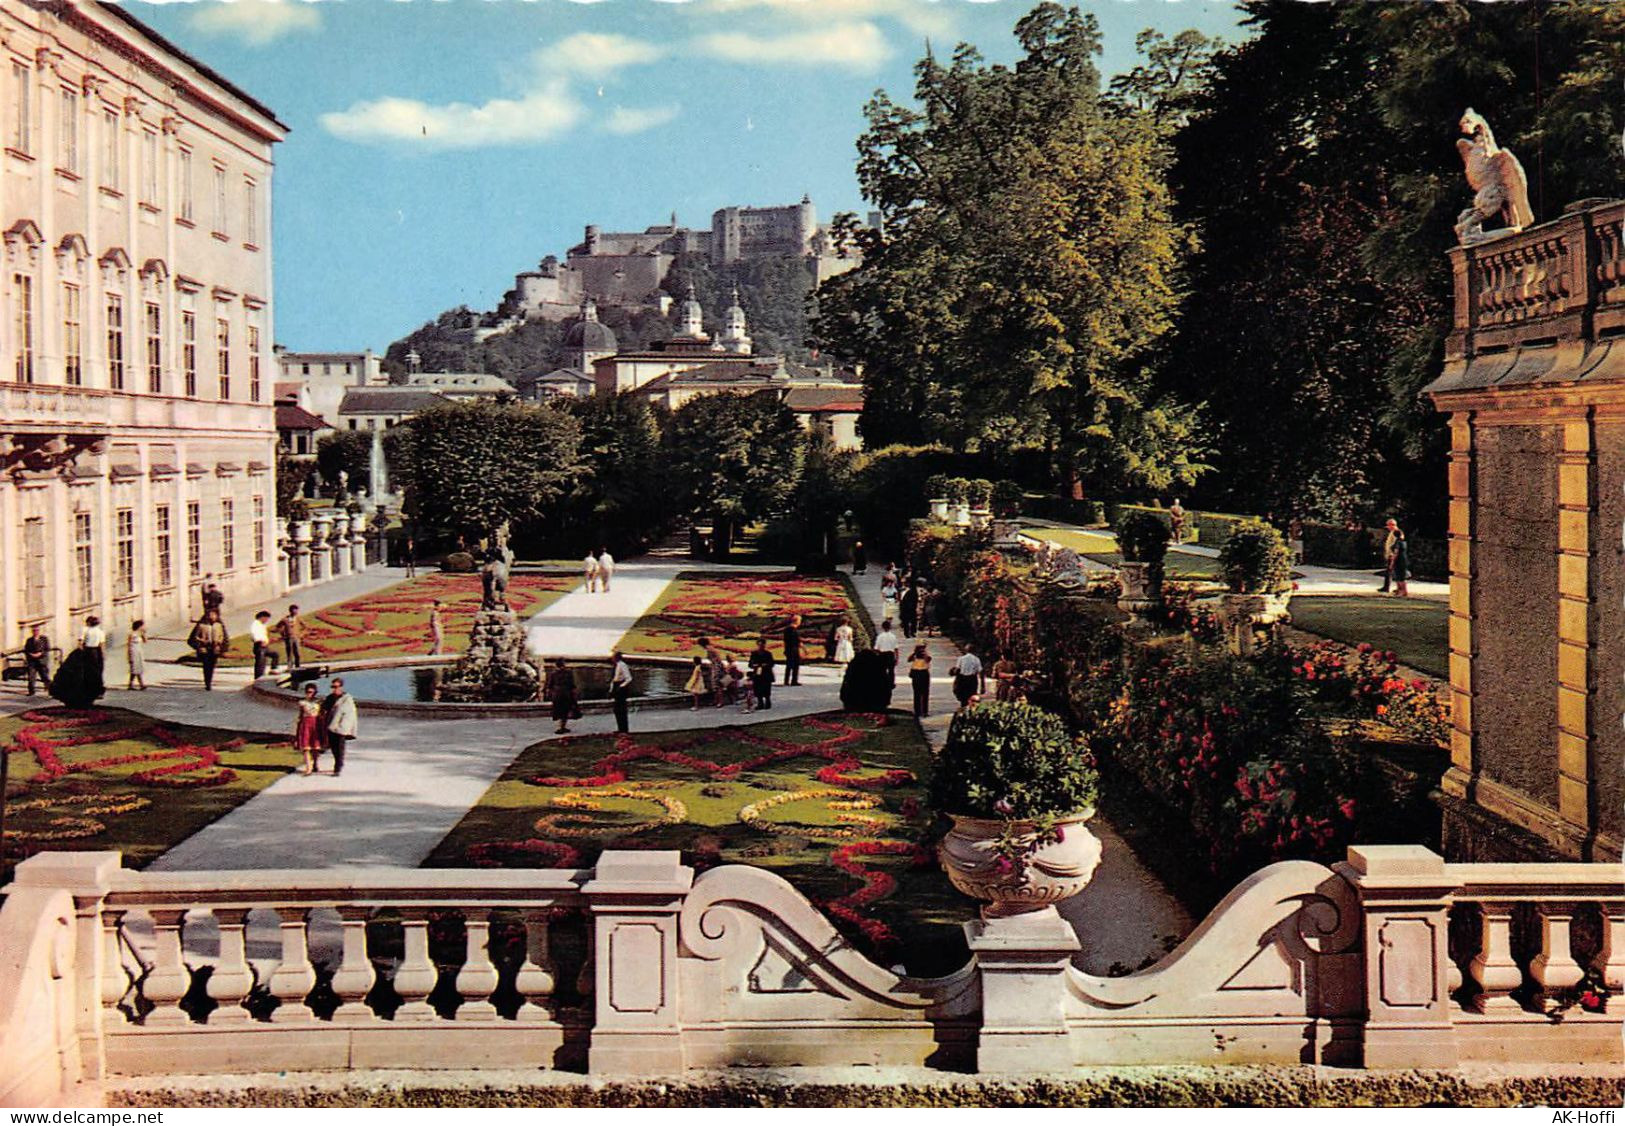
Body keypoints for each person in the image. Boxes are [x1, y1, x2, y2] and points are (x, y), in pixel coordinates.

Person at [49, 619, 105, 709]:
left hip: (87, 650)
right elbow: (101, 645)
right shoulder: (100, 632)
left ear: (89, 623)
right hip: (96, 651)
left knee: (83, 670)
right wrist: (102, 655)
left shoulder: (86, 630)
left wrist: (80, 653)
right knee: (95, 671)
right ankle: (97, 689)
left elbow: (80, 643)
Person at [321, 677, 358, 776]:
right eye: (332, 687)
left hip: (341, 727)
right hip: (330, 725)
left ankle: (338, 767)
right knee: (333, 747)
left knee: (340, 747)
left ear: (341, 687)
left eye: (336, 686)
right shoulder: (330, 698)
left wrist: (345, 726)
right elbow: (323, 710)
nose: (334, 688)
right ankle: (338, 762)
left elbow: (350, 713)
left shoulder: (347, 699)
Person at [189, 609, 229, 690]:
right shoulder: (201, 626)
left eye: (214, 615)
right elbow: (194, 638)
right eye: (210, 615)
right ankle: (207, 683)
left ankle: (209, 679)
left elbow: (223, 637)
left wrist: (220, 645)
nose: (212, 617)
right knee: (206, 666)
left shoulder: (219, 626)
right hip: (205, 648)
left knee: (212, 665)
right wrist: (200, 643)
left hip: (214, 648)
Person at [295, 682, 325, 775]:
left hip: (315, 723)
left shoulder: (319, 702)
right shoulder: (302, 702)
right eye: (308, 692)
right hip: (306, 723)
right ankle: (308, 767)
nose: (310, 694)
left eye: (312, 692)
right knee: (306, 747)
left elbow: (322, 714)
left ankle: (315, 763)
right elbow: (300, 715)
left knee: (316, 747)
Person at [545, 658, 579, 735]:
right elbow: (572, 684)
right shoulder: (569, 673)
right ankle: (562, 727)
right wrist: (574, 694)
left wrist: (549, 693)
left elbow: (550, 685)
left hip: (557, 693)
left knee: (558, 710)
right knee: (565, 710)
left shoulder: (554, 674)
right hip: (566, 693)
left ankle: (561, 727)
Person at [952, 644, 984, 711]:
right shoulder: (976, 659)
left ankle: (963, 710)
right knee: (972, 697)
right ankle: (970, 711)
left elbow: (957, 670)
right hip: (972, 680)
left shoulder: (961, 659)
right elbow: (981, 672)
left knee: (963, 698)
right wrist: (983, 686)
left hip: (962, 680)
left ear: (966, 650)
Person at [22, 623, 51, 696]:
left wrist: (41, 654)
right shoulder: (29, 640)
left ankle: (49, 688)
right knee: (31, 676)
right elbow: (26, 650)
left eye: (37, 630)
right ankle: (31, 691)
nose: (35, 632)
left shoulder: (44, 639)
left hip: (41, 660)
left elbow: (47, 649)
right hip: (32, 661)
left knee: (44, 676)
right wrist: (30, 654)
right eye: (34, 631)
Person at [609, 649, 633, 733]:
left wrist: (621, 686)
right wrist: (611, 690)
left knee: (621, 710)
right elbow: (613, 680)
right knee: (617, 710)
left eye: (613, 656)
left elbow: (629, 678)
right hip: (616, 687)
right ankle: (620, 728)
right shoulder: (616, 666)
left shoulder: (622, 665)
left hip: (621, 689)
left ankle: (624, 729)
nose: (611, 658)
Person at [749, 636, 775, 711]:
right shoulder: (754, 654)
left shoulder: (768, 654)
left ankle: (768, 702)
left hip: (766, 673)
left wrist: (765, 665)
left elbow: (772, 663)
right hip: (757, 674)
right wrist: (754, 665)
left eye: (762, 645)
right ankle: (760, 703)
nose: (761, 646)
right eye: (759, 645)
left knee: (766, 688)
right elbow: (750, 664)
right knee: (757, 689)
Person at [908, 643, 932, 718]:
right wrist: (915, 652)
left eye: (922, 648)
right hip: (916, 672)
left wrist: (924, 653)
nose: (921, 650)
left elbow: (928, 659)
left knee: (925, 692)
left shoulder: (926, 654)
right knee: (916, 693)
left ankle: (925, 711)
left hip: (924, 672)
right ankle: (917, 711)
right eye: (919, 648)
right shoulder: (914, 655)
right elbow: (908, 660)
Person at [874, 618, 900, 687]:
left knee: (882, 670)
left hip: (882, 654)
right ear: (890, 627)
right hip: (891, 654)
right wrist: (897, 658)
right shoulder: (893, 636)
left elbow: (876, 648)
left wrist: (877, 655)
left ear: (882, 627)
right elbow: (896, 648)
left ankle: (883, 683)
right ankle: (891, 683)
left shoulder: (880, 636)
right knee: (891, 670)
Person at [250, 610, 276, 679]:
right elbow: (254, 634)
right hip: (259, 645)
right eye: (266, 618)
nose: (267, 620)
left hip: (264, 646)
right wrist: (261, 641)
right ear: (262, 617)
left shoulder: (263, 625)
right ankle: (258, 677)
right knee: (260, 663)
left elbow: (264, 635)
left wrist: (267, 641)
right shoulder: (255, 624)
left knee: (275, 655)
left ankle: (273, 669)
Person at [1381, 519, 1402, 593]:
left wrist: (1393, 554)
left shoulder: (1397, 532)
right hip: (1389, 554)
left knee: (1391, 571)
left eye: (1388, 525)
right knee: (1389, 572)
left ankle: (1394, 588)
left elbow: (1397, 545)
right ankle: (1386, 586)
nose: (1388, 527)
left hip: (1392, 555)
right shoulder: (1392, 532)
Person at [126, 620, 147, 691]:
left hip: (139, 652)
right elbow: (128, 645)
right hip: (133, 652)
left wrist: (144, 634)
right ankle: (141, 684)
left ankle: (131, 684)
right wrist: (129, 656)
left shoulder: (140, 634)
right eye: (142, 626)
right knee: (135, 669)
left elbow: (145, 641)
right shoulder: (131, 634)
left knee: (138, 668)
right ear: (139, 626)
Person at [1389, 527, 1410, 598]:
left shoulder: (1398, 542)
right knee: (1398, 576)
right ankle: (1400, 590)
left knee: (1401, 577)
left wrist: (1392, 562)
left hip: (1399, 561)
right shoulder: (1403, 542)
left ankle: (1403, 591)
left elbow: (1396, 553)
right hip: (1403, 560)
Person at [782, 614, 802, 686]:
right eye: (799, 621)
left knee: (789, 665)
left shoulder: (786, 630)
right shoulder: (794, 630)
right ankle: (794, 680)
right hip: (794, 649)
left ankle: (786, 680)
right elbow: (798, 641)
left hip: (788, 648)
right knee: (795, 665)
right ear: (796, 621)